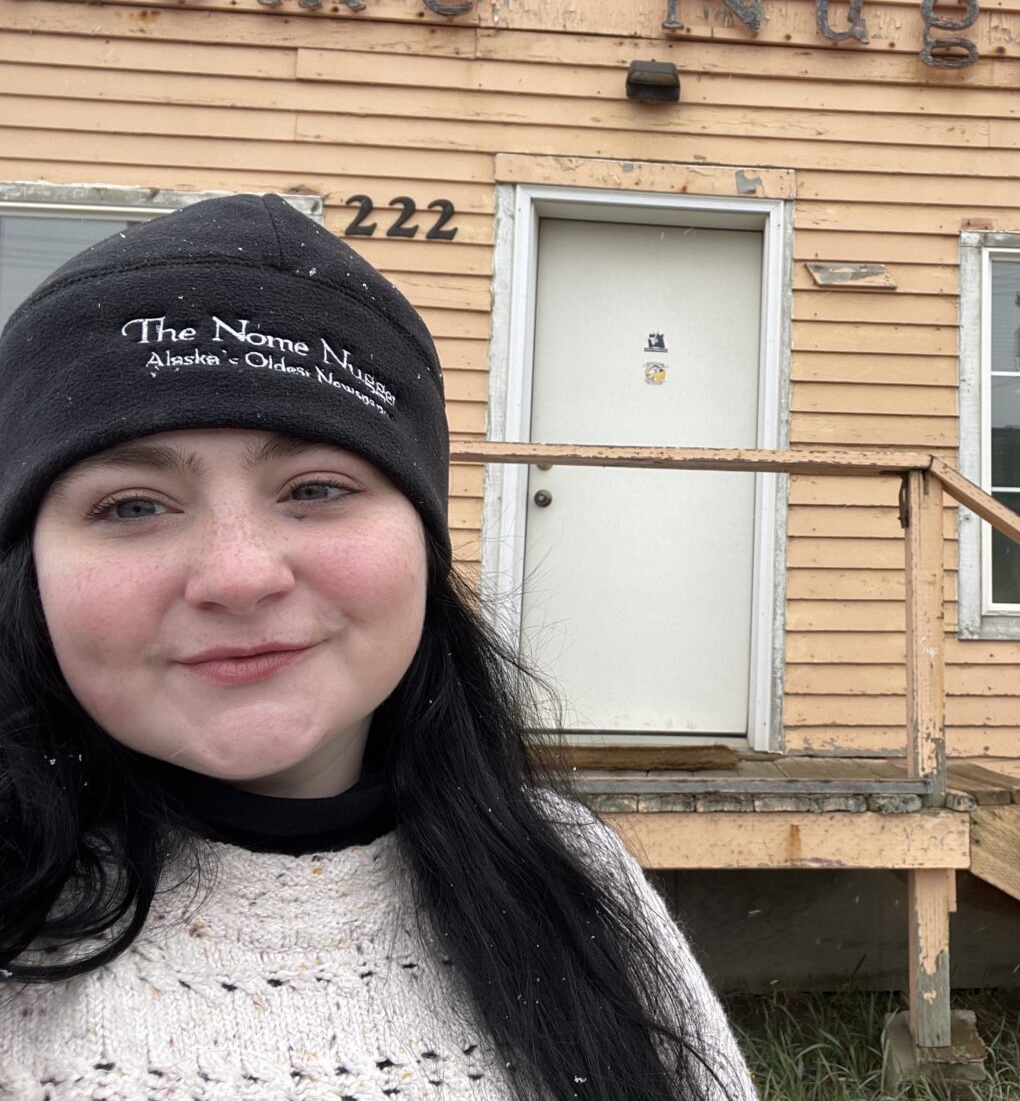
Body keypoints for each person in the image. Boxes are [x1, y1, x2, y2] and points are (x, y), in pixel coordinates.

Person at [0, 193, 756, 1100]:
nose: (238, 577)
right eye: (131, 506)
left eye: (315, 489)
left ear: (423, 542)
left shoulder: (571, 870)